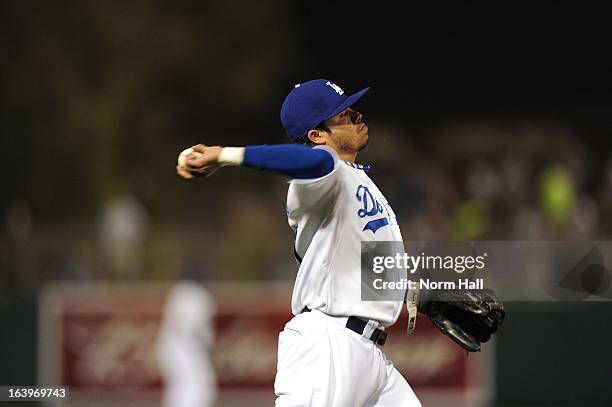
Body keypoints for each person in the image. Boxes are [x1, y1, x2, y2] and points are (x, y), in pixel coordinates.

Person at [177, 79, 504, 406]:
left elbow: (366, 267)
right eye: (343, 116)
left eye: (352, 110)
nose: (356, 117)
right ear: (317, 136)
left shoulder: (359, 180)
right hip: (328, 345)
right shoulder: (321, 178)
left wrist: (422, 295)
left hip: (370, 357)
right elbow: (310, 161)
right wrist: (223, 155)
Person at [155, 262, 217, 407]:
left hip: (169, 347)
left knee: (180, 389)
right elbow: (191, 328)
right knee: (200, 385)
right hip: (186, 348)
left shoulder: (178, 291)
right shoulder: (199, 295)